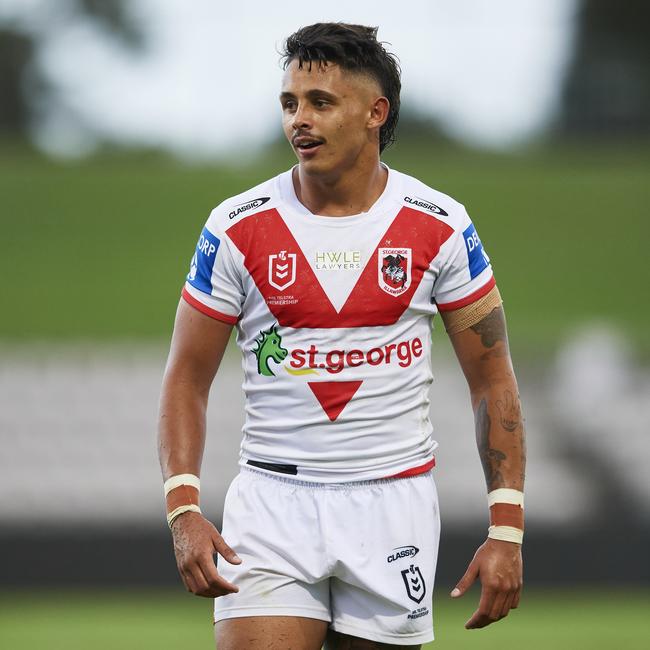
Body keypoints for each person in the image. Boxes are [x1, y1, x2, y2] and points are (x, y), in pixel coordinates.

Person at [158, 22, 526, 650]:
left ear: (374, 113)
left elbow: (492, 379)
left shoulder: (440, 226)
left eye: (321, 102)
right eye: (290, 103)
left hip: (393, 503)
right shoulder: (236, 226)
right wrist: (184, 510)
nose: (300, 119)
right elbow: (186, 379)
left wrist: (507, 531)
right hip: (273, 505)